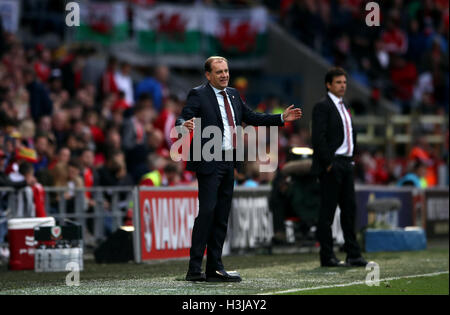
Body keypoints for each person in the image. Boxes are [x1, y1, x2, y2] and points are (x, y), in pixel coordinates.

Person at [176, 56, 302, 282]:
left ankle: (215, 267)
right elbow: (184, 115)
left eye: (226, 71)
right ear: (208, 75)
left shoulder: (233, 95)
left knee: (222, 216)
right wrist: (182, 125)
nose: (224, 75)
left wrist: (281, 118)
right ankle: (194, 268)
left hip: (228, 162)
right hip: (208, 160)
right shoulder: (198, 94)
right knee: (207, 213)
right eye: (219, 72)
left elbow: (252, 117)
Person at [311, 67, 368, 267]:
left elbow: (349, 135)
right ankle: (327, 256)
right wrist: (328, 164)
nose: (343, 85)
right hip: (333, 164)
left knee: (349, 210)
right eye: (338, 82)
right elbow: (318, 138)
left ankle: (353, 253)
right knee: (327, 213)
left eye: (344, 82)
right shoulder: (322, 106)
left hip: (346, 164)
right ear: (328, 85)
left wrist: (351, 158)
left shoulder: (344, 106)